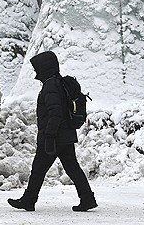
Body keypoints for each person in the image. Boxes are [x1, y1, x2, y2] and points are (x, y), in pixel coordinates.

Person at [7, 50, 97, 212]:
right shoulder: (58, 83)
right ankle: (87, 199)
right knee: (71, 168)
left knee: (39, 169)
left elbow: (55, 113)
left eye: (37, 69)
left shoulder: (51, 86)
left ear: (45, 68)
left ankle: (29, 200)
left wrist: (49, 136)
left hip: (55, 136)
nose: (36, 73)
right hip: (65, 135)